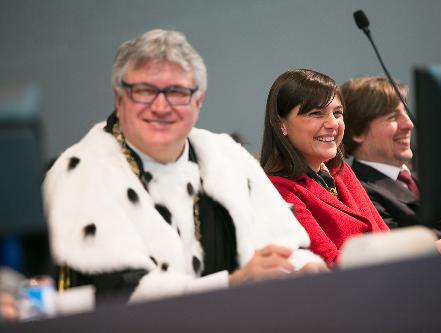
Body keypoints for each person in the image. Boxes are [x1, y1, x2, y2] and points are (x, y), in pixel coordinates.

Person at [43, 30, 326, 304]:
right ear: (119, 100)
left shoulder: (227, 158)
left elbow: (284, 247)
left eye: (177, 92)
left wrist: (302, 269)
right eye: (144, 91)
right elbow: (118, 296)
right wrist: (232, 284)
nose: (161, 107)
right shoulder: (81, 172)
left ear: (197, 101)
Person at [260, 69, 441, 267]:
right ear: (281, 125)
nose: (333, 124)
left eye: (337, 113)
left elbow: (385, 239)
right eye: (316, 113)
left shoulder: (341, 171)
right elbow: (330, 266)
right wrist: (424, 253)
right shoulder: (279, 190)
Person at [341, 76, 441, 237]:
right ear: (357, 131)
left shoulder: (429, 177)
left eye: (405, 112)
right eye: (393, 117)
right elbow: (404, 249)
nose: (409, 124)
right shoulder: (360, 194)